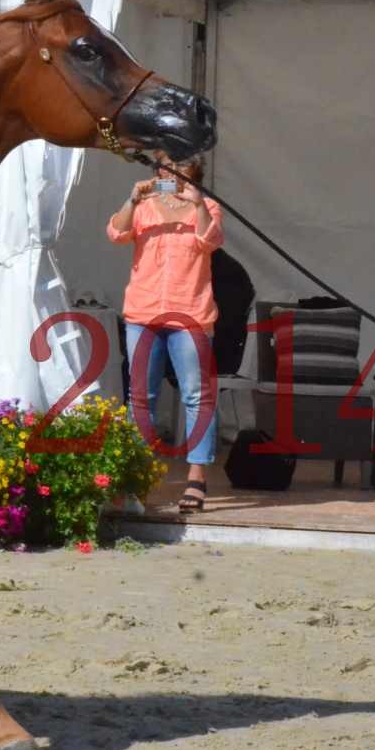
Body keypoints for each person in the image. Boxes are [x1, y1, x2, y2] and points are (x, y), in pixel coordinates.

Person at [107, 151, 224, 512]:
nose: (170, 172)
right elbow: (116, 233)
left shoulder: (207, 207)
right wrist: (133, 197)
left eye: (180, 166)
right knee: (141, 398)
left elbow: (210, 240)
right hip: (143, 313)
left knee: (196, 396)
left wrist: (197, 205)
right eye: (164, 166)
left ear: (194, 171)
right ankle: (136, 480)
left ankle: (196, 478)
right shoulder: (144, 207)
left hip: (189, 313)